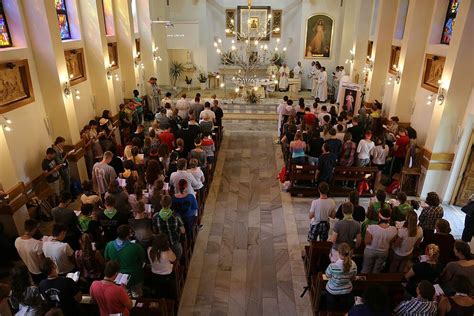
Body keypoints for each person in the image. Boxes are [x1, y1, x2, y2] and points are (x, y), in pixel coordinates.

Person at [104, 225, 146, 298]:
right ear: (128, 234)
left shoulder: (109, 245)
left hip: (117, 277)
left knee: (123, 297)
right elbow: (142, 260)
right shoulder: (136, 247)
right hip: (135, 277)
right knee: (137, 297)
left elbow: (107, 259)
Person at [361, 207, 397, 273]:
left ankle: (364, 282)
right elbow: (392, 240)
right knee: (377, 269)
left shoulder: (371, 228)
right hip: (383, 252)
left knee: (366, 269)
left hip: (370, 251)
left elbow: (367, 242)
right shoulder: (394, 229)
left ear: (379, 217)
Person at [325, 243, 358, 311]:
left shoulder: (333, 266)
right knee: (342, 310)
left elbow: (327, 275)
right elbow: (353, 277)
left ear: (338, 253)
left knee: (331, 309)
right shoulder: (354, 265)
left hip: (333, 291)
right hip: (347, 291)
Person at [147, 234, 178, 299]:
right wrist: (169, 248)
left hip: (155, 274)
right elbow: (174, 258)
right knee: (169, 292)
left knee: (159, 291)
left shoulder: (149, 249)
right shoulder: (165, 253)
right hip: (166, 275)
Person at [15, 219, 45, 284]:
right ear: (34, 229)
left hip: (30, 268)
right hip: (39, 270)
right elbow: (42, 261)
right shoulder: (37, 243)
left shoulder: (17, 240)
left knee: (37, 284)